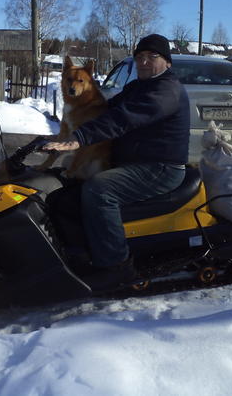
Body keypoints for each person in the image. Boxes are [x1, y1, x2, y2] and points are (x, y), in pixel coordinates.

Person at [43, 34, 191, 291]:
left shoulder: (167, 90)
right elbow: (105, 111)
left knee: (99, 189)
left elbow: (124, 118)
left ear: (167, 62)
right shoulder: (137, 87)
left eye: (151, 57)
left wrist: (81, 138)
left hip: (159, 168)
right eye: (140, 57)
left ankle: (116, 266)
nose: (144, 62)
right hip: (134, 164)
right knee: (67, 190)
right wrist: (72, 125)